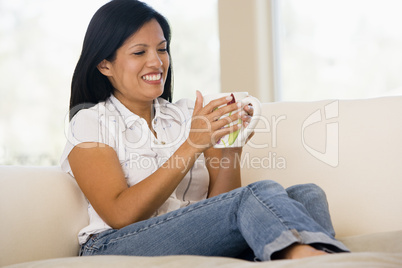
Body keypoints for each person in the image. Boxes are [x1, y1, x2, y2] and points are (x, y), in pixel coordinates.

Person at [61, 0, 349, 261]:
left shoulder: (188, 115)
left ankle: (312, 256)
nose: (157, 62)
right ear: (104, 64)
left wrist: (232, 145)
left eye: (162, 49)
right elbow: (121, 214)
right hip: (117, 247)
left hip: (186, 238)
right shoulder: (89, 122)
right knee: (259, 192)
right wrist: (191, 145)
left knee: (306, 194)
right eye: (140, 52)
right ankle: (311, 258)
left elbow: (220, 205)